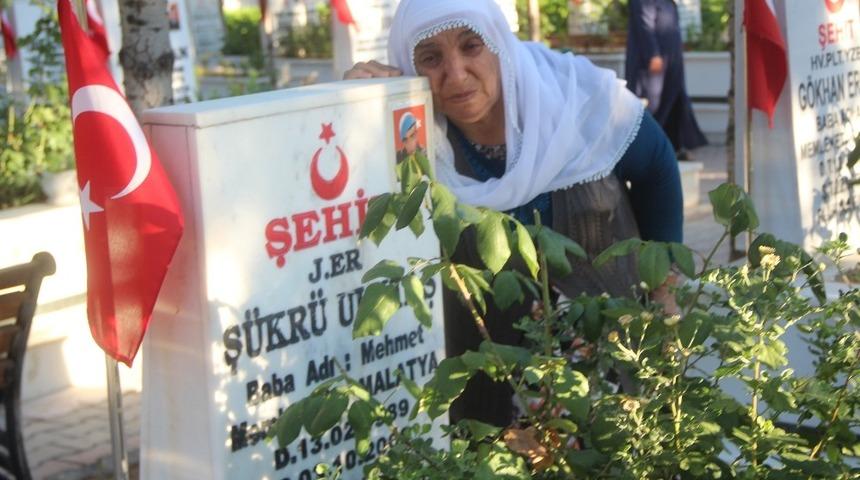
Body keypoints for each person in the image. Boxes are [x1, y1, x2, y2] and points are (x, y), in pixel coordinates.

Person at [344, 0, 683, 426]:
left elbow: (656, 167)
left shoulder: (576, 96)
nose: (456, 74)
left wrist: (664, 290)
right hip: (493, 378)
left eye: (471, 46)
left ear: (499, 43)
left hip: (611, 350)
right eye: (430, 58)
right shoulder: (415, 136)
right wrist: (352, 109)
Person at [625, 0, 707, 159]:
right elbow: (643, 22)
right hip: (653, 63)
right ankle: (643, 152)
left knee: (674, 101)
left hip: (671, 60)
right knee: (652, 105)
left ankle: (674, 148)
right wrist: (652, 53)